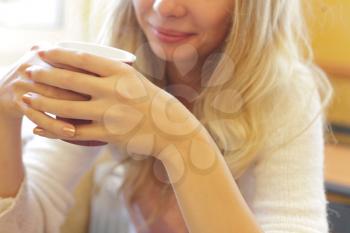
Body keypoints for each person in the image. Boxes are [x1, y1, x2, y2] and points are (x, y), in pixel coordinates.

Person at [0, 0, 334, 232]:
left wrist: (180, 140)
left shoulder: (284, 92)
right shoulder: (111, 74)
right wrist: (3, 116)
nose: (165, 8)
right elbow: (26, 225)